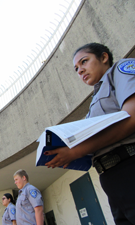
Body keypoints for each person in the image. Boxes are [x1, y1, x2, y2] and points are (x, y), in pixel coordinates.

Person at [44, 42, 135, 224]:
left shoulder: (120, 70)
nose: (80, 70)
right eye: (76, 69)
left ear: (103, 57)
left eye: (84, 62)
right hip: (109, 177)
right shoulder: (94, 100)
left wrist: (75, 152)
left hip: (129, 167)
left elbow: (132, 117)